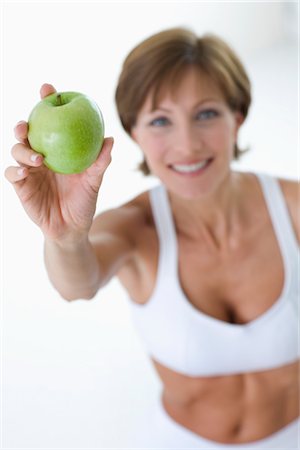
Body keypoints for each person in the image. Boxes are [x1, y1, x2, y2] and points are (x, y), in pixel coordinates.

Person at [5, 27, 299, 449]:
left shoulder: (293, 206)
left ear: (237, 117)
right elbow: (77, 285)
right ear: (134, 133)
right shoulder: (134, 227)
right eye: (160, 121)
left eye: (206, 114)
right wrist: (65, 236)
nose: (187, 144)